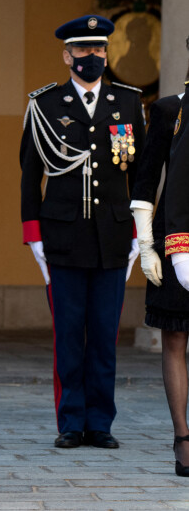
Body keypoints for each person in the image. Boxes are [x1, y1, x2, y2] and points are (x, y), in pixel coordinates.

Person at [20, 14, 145, 449]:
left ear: (107, 53)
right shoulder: (45, 105)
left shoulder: (128, 102)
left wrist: (140, 233)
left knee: (105, 335)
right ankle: (71, 421)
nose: (92, 57)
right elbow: (29, 174)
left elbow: (143, 175)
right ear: (66, 54)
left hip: (113, 236)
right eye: (83, 50)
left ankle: (101, 423)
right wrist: (32, 234)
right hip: (63, 236)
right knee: (70, 333)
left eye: (99, 50)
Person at [161, 77, 189, 476]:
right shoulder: (176, 108)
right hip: (181, 238)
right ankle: (183, 436)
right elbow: (176, 181)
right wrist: (179, 249)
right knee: (177, 334)